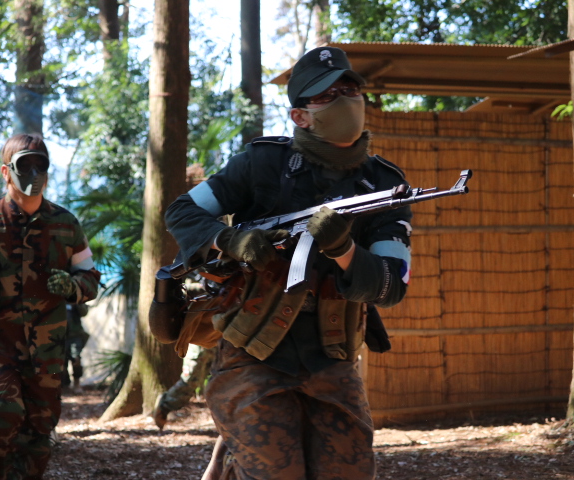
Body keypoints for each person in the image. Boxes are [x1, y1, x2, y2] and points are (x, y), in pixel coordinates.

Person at [165, 46, 413, 479]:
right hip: (253, 350)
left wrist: (344, 249)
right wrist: (230, 240)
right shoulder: (263, 163)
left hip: (332, 354)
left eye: (350, 90)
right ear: (300, 116)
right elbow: (182, 212)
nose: (345, 100)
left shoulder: (383, 184)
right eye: (328, 95)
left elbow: (392, 285)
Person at [0, 133, 101, 480]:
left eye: (41, 165)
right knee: (4, 411)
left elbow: (90, 279)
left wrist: (72, 286)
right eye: (26, 165)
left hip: (47, 346)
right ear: (6, 171)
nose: (34, 173)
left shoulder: (66, 224)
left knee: (40, 430)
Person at [62, 303, 90, 393]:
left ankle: (76, 383)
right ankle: (65, 385)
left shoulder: (75, 299)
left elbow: (84, 312)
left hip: (75, 335)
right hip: (60, 336)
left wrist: (77, 303)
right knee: (62, 362)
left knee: (76, 359)